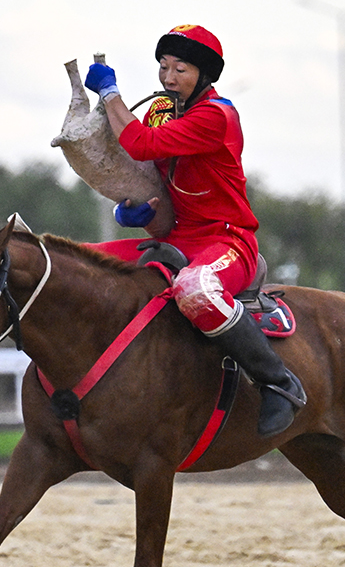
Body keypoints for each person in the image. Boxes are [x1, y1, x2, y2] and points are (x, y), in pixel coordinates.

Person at [83, 24, 305, 438]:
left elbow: (139, 145)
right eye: (164, 67)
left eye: (179, 69)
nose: (168, 78)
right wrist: (131, 214)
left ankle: (280, 383)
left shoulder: (216, 116)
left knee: (195, 289)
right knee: (81, 263)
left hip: (229, 242)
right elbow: (151, 187)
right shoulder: (162, 111)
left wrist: (110, 94)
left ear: (204, 74)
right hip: (175, 240)